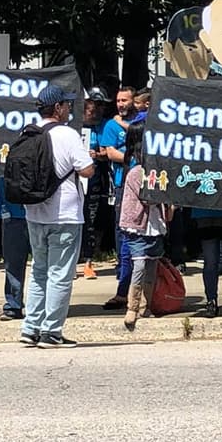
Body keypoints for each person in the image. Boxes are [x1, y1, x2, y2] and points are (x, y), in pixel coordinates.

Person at [18, 85, 94, 348]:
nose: (69, 108)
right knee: (60, 273)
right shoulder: (68, 134)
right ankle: (51, 331)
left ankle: (31, 328)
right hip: (64, 214)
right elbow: (87, 171)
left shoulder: (28, 132)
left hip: (34, 212)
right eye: (66, 104)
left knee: (39, 271)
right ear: (58, 108)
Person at [118, 122, 172, 330]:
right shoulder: (136, 173)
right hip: (138, 226)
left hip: (155, 225)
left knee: (152, 265)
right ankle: (132, 306)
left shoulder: (159, 173)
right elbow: (148, 197)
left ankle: (146, 305)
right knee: (139, 265)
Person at [99, 85, 136, 312]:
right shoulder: (111, 125)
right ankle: (123, 279)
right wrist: (136, 159)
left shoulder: (143, 120)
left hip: (144, 183)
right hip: (123, 184)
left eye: (125, 100)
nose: (121, 104)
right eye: (118, 101)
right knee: (122, 231)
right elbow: (110, 153)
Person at [80, 88, 109, 279]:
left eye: (101, 106)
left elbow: (109, 150)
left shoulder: (105, 125)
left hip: (95, 178)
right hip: (73, 180)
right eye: (94, 105)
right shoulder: (72, 124)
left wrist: (98, 155)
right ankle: (74, 259)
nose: (97, 110)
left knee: (91, 218)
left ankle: (89, 261)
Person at [0, 176, 30, 320]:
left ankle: (46, 304)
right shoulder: (2, 154)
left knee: (45, 263)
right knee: (12, 262)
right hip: (11, 210)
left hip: (41, 210)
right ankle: (13, 305)